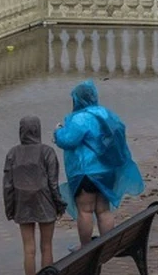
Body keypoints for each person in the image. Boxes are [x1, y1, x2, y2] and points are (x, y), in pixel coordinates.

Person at [54, 80, 144, 247]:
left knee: (85, 210)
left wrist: (58, 131)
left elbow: (68, 140)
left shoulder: (80, 118)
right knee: (103, 210)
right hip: (107, 171)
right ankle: (108, 246)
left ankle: (86, 249)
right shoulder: (107, 114)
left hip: (85, 173)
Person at [3, 116, 66, 275]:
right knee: (46, 246)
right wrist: (59, 205)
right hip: (45, 202)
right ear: (38, 130)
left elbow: (8, 186)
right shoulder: (47, 152)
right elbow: (53, 183)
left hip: (22, 203)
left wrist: (10, 209)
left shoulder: (13, 153)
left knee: (28, 249)